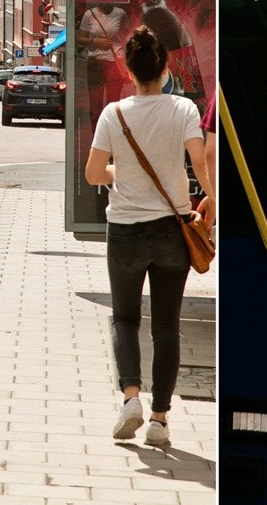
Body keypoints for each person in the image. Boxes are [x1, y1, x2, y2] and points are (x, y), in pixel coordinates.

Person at [85, 26, 214, 449]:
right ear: (165, 68)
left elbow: (93, 174)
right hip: (172, 230)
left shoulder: (114, 114)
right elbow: (199, 161)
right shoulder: (183, 109)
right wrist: (211, 199)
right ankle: (159, 420)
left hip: (124, 230)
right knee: (166, 326)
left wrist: (119, 171)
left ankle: (130, 399)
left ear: (128, 70)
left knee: (124, 318)